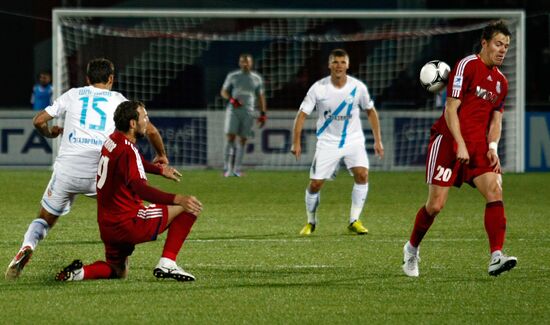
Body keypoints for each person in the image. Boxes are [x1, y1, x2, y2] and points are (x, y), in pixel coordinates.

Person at [5, 58, 168, 280]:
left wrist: (50, 133)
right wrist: (161, 155)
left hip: (67, 172)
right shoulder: (119, 100)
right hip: (99, 174)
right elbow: (149, 130)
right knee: (125, 213)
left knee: (44, 218)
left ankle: (28, 245)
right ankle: (119, 262)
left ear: (87, 79)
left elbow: (38, 120)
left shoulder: (73, 94)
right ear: (111, 79)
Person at [401, 20, 517, 277]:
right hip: (448, 141)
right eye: (498, 44)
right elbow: (450, 108)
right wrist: (460, 144)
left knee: (495, 190)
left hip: (477, 148)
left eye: (506, 46)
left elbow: (496, 120)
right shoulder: (467, 66)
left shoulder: (501, 83)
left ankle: (496, 255)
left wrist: (493, 147)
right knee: (435, 206)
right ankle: (411, 249)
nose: (502, 50)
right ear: (484, 43)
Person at [55, 100, 202, 282]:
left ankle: (80, 273)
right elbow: (140, 189)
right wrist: (177, 198)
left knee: (118, 271)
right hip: (129, 222)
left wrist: (160, 170)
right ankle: (167, 263)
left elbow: (134, 161)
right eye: (144, 117)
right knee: (190, 206)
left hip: (108, 226)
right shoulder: (127, 151)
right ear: (133, 123)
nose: (147, 121)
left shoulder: (113, 140)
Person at [291, 48, 384, 236]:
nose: (339, 66)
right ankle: (311, 221)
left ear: (348, 65)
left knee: (362, 175)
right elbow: (301, 115)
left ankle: (354, 220)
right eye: (335, 62)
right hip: (327, 142)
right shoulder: (319, 88)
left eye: (342, 62)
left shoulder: (358, 87)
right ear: (329, 65)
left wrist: (378, 140)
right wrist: (296, 142)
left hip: (353, 140)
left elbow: (371, 111)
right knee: (316, 184)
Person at [220, 53, 267, 177]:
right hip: (233, 110)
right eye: (243, 62)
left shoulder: (257, 78)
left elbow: (261, 97)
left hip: (249, 111)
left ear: (251, 63)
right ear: (239, 63)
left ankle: (236, 169)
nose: (245, 64)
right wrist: (232, 100)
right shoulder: (233, 76)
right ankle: (227, 168)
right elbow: (223, 91)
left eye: (247, 62)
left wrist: (263, 114)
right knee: (230, 137)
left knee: (243, 139)